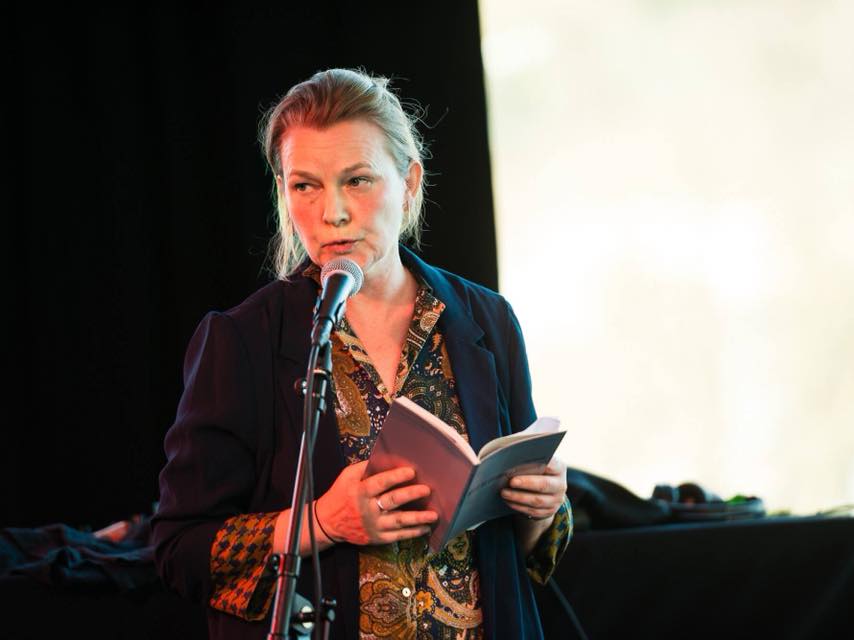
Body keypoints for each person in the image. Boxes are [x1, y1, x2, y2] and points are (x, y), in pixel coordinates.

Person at [150, 68, 572, 640]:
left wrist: (542, 509)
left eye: (358, 180)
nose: (334, 213)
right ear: (283, 192)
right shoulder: (242, 340)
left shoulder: (486, 320)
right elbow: (180, 548)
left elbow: (523, 555)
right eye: (306, 186)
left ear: (410, 182)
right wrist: (323, 522)